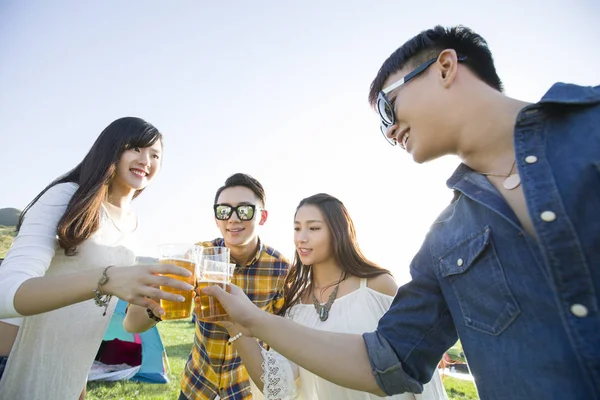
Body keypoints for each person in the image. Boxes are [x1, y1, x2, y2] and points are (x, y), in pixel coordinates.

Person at [202, 25, 600, 400]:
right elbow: (388, 359)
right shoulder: (444, 240)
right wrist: (249, 323)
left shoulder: (590, 126)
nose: (390, 131)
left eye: (389, 108)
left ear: (444, 67)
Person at [0, 117, 193, 399]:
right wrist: (107, 279)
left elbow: (128, 323)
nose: (146, 160)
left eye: (155, 155)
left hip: (69, 374)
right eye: (137, 148)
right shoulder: (66, 196)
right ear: (112, 148)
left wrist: (155, 304)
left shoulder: (133, 224)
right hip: (13, 365)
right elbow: (6, 293)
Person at [218, 193, 448, 400]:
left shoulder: (378, 286)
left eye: (314, 228)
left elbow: (417, 371)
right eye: (297, 228)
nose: (301, 238)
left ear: (339, 232)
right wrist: (234, 325)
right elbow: (279, 385)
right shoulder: (296, 306)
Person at [179, 173, 291, 400]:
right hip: (198, 384)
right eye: (224, 210)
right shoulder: (199, 255)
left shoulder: (281, 269)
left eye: (244, 210)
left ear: (262, 217)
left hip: (245, 389)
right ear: (216, 217)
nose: (233, 218)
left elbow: (283, 335)